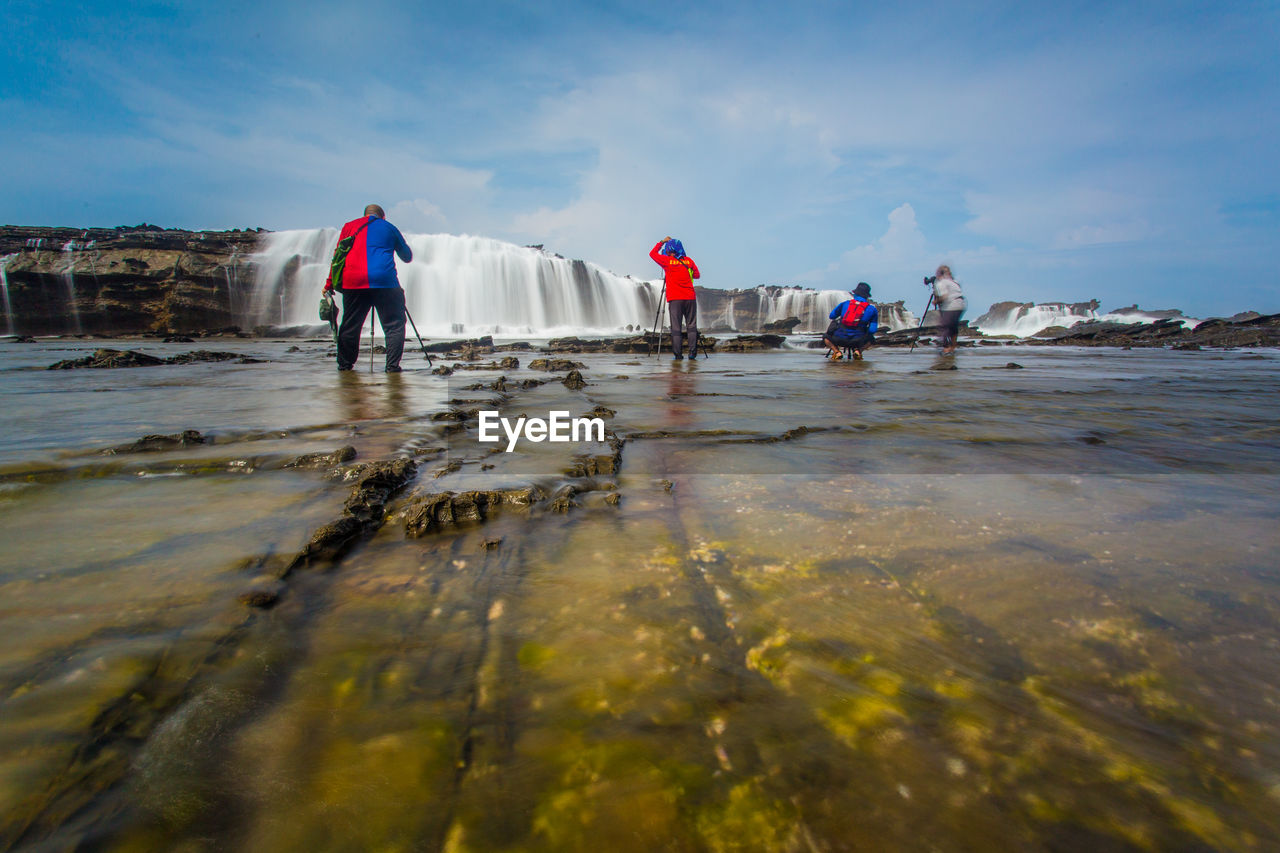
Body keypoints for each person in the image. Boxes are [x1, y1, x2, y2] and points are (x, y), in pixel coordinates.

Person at [324, 204, 413, 372]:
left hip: (354, 282)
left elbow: (338, 256)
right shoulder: (389, 227)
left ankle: (345, 366)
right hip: (384, 282)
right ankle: (392, 367)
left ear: (364, 215)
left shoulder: (349, 226)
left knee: (350, 325)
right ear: (383, 217)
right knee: (394, 325)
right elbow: (407, 257)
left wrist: (329, 283)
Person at [649, 236, 702, 360]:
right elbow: (697, 275)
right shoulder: (689, 261)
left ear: (668, 250)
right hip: (690, 297)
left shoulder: (667, 261)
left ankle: (678, 355)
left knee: (676, 327)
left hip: (675, 299)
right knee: (691, 326)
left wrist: (662, 242)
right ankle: (692, 353)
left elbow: (652, 254)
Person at [823, 282, 878, 360]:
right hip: (858, 341)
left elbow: (832, 316)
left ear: (855, 294)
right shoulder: (872, 309)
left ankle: (837, 352)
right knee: (871, 339)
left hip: (839, 339)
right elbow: (872, 330)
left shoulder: (845, 304)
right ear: (867, 296)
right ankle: (858, 351)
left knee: (826, 337)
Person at [931, 265, 966, 354]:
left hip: (951, 306)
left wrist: (935, 301)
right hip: (961, 304)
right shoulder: (953, 281)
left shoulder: (941, 282)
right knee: (953, 327)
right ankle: (953, 347)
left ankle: (946, 348)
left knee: (944, 326)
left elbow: (944, 296)